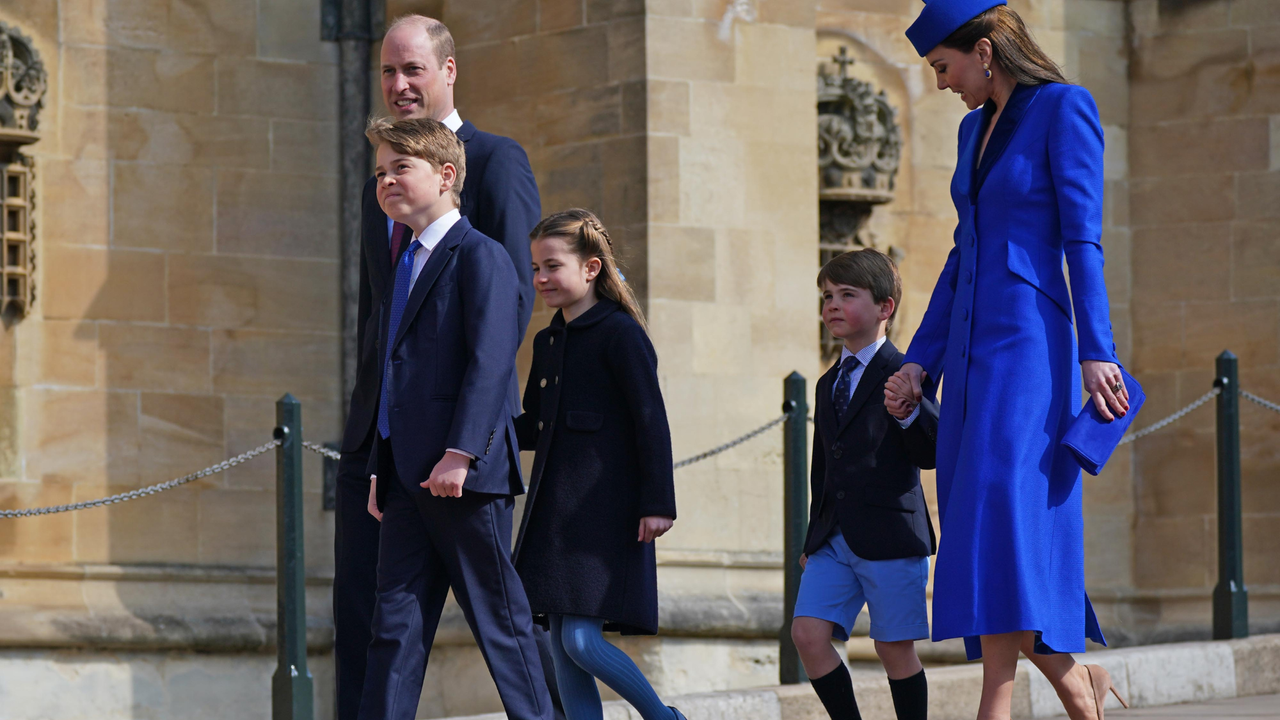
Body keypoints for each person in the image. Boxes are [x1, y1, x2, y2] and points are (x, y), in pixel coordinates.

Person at [888, 2, 1132, 719]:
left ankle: (998, 703)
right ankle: (1075, 688)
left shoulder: (1064, 108)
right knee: (981, 528)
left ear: (985, 51)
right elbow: (965, 252)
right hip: (968, 354)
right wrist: (919, 361)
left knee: (1002, 519)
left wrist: (1097, 351)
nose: (940, 84)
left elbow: (1082, 240)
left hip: (1031, 350)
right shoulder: (971, 130)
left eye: (943, 67)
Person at [332, 14, 547, 720]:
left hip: (462, 452)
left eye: (413, 70)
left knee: (498, 619)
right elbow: (381, 321)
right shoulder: (384, 186)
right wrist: (378, 447)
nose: (398, 85)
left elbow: (503, 317)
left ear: (448, 70)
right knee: (378, 620)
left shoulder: (494, 164)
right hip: (388, 446)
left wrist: (465, 442)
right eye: (388, 71)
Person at [511, 209, 686, 720]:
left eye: (552, 266)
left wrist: (658, 502)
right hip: (553, 516)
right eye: (536, 268)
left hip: (605, 514)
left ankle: (664, 718)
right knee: (564, 644)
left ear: (590, 268)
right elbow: (533, 424)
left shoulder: (620, 334)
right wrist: (471, 435)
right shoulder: (548, 342)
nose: (542, 279)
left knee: (583, 643)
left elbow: (651, 421)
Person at [791, 249, 939, 720]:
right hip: (833, 536)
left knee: (893, 649)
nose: (832, 305)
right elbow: (823, 467)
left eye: (846, 295)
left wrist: (911, 411)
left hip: (890, 535)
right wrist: (814, 534)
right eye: (826, 296)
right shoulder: (825, 382)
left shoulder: (907, 371)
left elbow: (931, 452)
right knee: (808, 635)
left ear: (884, 307)